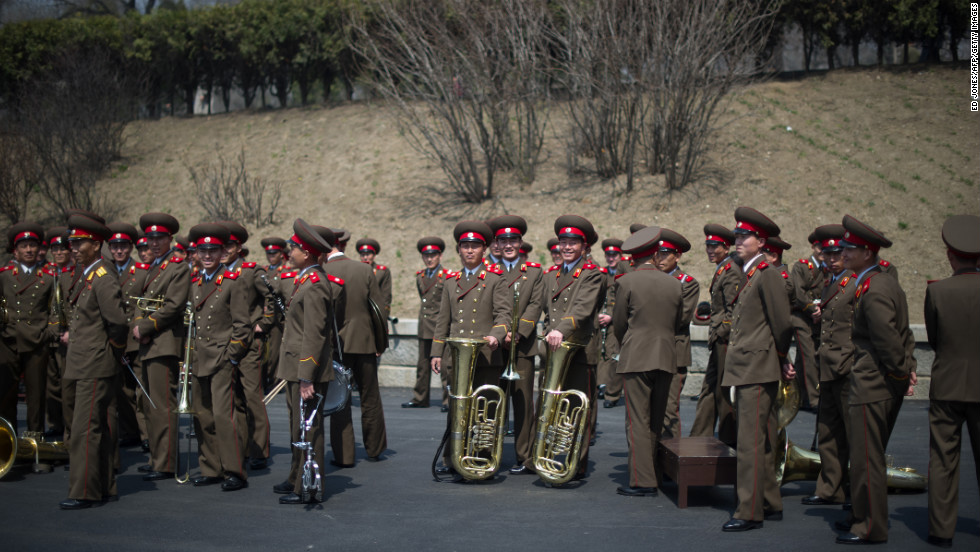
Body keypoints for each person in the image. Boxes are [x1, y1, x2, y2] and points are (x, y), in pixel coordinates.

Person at [835, 214, 914, 545]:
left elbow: (889, 340)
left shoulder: (874, 288)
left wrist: (898, 372)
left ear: (867, 252)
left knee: (867, 460)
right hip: (875, 380)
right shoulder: (877, 281)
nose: (843, 253)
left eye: (850, 248)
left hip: (872, 383)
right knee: (866, 456)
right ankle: (861, 514)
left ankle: (870, 526)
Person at [721, 207, 794, 532]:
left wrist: (780, 357)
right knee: (761, 438)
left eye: (744, 236)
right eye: (736, 235)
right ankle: (770, 501)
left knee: (749, 442)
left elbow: (782, 323)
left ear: (760, 240)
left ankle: (749, 511)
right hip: (752, 365)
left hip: (757, 367)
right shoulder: (752, 273)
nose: (737, 241)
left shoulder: (767, 273)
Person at [58, 214, 128, 509]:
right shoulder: (87, 273)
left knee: (84, 430)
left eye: (79, 242)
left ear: (96, 245)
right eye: (72, 242)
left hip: (93, 364)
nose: (73, 247)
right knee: (94, 427)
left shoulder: (101, 276)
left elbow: (118, 322)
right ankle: (104, 486)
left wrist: (112, 348)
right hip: (84, 362)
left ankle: (84, 491)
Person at [430, 221, 511, 477]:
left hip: (486, 355)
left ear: (484, 250)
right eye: (465, 246)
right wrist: (436, 351)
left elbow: (504, 316)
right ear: (459, 250)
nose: (469, 251)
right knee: (457, 409)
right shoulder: (451, 281)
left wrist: (496, 335)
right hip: (457, 357)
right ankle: (452, 457)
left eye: (475, 246)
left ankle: (481, 459)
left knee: (484, 411)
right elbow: (443, 320)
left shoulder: (496, 280)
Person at [612, 226, 685, 497]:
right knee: (657, 419)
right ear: (655, 254)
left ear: (634, 257)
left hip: (637, 356)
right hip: (666, 355)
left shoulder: (626, 282)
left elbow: (619, 323)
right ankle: (655, 472)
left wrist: (629, 342)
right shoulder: (675, 283)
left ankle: (643, 481)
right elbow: (677, 322)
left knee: (637, 421)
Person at [276, 220, 341, 504]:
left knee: (307, 428)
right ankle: (295, 478)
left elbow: (315, 335)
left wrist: (307, 376)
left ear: (308, 253)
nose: (290, 251)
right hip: (295, 366)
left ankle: (309, 488)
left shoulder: (314, 284)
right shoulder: (305, 278)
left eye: (294, 247)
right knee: (297, 427)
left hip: (306, 369)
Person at [924, 214, 980, 549]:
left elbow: (935, 339)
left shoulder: (938, 292)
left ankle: (940, 530)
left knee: (943, 460)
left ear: (950, 254)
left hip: (946, 384)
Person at [538, 215, 606, 482]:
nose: (566, 247)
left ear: (585, 246)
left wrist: (559, 330)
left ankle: (574, 464)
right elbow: (546, 309)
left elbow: (582, 309)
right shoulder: (552, 274)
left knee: (578, 409)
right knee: (552, 408)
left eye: (573, 242)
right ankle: (547, 455)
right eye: (563, 242)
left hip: (579, 349)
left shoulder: (592, 274)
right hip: (554, 350)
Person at [185, 223, 251, 491]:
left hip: (221, 358)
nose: (208, 255)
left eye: (213, 250)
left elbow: (242, 326)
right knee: (203, 416)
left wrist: (231, 356)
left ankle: (234, 471)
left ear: (222, 251)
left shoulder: (232, 282)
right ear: (197, 253)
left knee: (224, 417)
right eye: (203, 250)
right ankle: (211, 468)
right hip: (200, 358)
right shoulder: (196, 282)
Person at [132, 212, 190, 482]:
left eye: (160, 238)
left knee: (162, 406)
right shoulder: (155, 267)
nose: (154, 243)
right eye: (151, 238)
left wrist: (143, 328)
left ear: (170, 239)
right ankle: (157, 457)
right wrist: (137, 326)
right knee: (150, 404)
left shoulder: (177, 267)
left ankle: (165, 463)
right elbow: (140, 302)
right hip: (149, 344)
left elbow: (173, 306)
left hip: (163, 343)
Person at [487, 215, 544, 475]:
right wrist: (501, 333)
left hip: (522, 347)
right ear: (496, 243)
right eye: (503, 240)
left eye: (513, 240)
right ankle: (489, 454)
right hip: (494, 346)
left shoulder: (533, 271)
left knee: (523, 404)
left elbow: (536, 304)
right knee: (492, 402)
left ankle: (525, 456)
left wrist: (518, 331)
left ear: (520, 242)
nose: (508, 244)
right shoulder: (486, 270)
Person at [326, 229, 388, 467]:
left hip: (335, 346)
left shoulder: (322, 272)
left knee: (339, 400)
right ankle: (374, 448)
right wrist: (380, 344)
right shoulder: (364, 269)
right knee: (370, 396)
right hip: (364, 342)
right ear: (344, 245)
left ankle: (344, 455)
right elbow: (378, 310)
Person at [802, 224, 854, 508]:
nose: (831, 258)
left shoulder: (854, 281)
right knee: (828, 430)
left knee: (850, 432)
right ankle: (829, 487)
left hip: (846, 366)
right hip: (828, 366)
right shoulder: (830, 280)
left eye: (836, 253)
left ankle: (850, 490)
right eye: (827, 253)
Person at [219, 221, 271, 471]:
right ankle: (239, 447)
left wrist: (265, 322)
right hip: (224, 342)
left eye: (229, 245)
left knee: (251, 397)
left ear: (238, 247)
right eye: (222, 245)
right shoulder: (216, 271)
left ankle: (259, 449)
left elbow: (272, 295)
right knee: (233, 399)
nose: (224, 250)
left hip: (249, 342)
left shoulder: (251, 271)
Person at [689, 224, 743, 446]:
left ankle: (728, 443)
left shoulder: (731, 271)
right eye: (708, 246)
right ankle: (699, 439)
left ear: (726, 246)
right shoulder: (724, 268)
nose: (710, 250)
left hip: (725, 341)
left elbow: (733, 311)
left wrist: (721, 330)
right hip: (718, 339)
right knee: (709, 392)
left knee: (724, 395)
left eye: (715, 246)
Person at [0, 222, 55, 434]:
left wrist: (49, 332)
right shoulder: (4, 276)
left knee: (36, 397)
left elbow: (56, 311)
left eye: (33, 245)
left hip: (36, 343)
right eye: (24, 246)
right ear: (16, 251)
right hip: (8, 342)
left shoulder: (49, 278)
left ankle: (36, 447)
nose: (29, 250)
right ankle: (9, 446)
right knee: (5, 396)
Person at [655, 229, 699, 440]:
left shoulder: (687, 283)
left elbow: (681, 317)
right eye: (657, 253)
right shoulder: (650, 279)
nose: (659, 258)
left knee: (669, 410)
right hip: (651, 351)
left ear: (677, 256)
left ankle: (671, 462)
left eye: (665, 254)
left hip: (673, 353)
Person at [403, 236, 449, 410]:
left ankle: (447, 401)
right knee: (422, 366)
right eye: (426, 256)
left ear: (440, 256)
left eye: (433, 255)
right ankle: (420, 397)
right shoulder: (420, 276)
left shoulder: (446, 277)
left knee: (445, 367)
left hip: (439, 327)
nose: (429, 259)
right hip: (424, 327)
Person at [790, 231, 825, 411]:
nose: (822, 251)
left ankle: (799, 396)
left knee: (803, 359)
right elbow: (798, 292)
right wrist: (812, 308)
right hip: (801, 317)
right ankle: (813, 399)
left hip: (818, 319)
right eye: (819, 247)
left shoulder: (829, 268)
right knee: (809, 356)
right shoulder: (802, 266)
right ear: (813, 247)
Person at [597, 238, 624, 408]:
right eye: (608, 254)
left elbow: (623, 300)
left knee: (613, 355)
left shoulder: (625, 272)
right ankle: (601, 384)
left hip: (616, 320)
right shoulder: (602, 273)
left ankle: (611, 390)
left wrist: (611, 316)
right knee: (600, 352)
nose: (611, 258)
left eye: (614, 254)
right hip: (600, 319)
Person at [357, 238, 392, 317]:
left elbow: (386, 295)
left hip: (376, 310)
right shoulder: (355, 270)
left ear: (374, 255)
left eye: (368, 254)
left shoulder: (382, 272)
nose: (365, 257)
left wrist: (384, 313)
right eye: (362, 255)